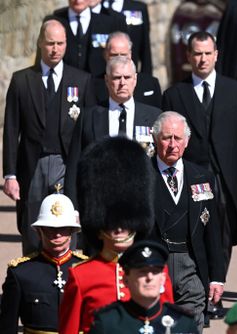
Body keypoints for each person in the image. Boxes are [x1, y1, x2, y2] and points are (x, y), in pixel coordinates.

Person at [162, 31, 237, 316]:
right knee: (195, 233)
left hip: (226, 180)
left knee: (223, 235)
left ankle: (215, 290)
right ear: (189, 57)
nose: (202, 59)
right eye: (197, 54)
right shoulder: (175, 94)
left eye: (207, 53)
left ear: (216, 55)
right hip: (190, 179)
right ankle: (198, 292)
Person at [59, 137, 174, 334]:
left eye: (127, 221)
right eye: (112, 223)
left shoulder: (157, 272)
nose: (120, 228)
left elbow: (168, 326)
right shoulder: (81, 277)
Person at [2, 19, 95, 255]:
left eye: (60, 43)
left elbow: (87, 133)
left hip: (67, 165)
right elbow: (12, 131)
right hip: (32, 166)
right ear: (40, 43)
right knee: (33, 227)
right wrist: (10, 175)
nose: (55, 49)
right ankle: (31, 280)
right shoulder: (22, 80)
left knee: (66, 225)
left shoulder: (81, 81)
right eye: (51, 43)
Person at [148, 111, 225, 332]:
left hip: (191, 265)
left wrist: (217, 277)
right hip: (154, 266)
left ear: (187, 141)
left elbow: (213, 230)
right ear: (155, 139)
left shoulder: (202, 177)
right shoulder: (141, 175)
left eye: (178, 138)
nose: (172, 144)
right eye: (166, 138)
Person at [65, 56, 161, 204]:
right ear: (107, 80)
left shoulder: (154, 116)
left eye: (127, 77)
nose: (122, 83)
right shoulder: (89, 117)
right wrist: (72, 206)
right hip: (99, 201)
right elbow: (74, 165)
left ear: (135, 80)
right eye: (116, 78)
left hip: (142, 202)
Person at [0, 191, 86, 334]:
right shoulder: (21, 273)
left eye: (63, 228)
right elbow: (7, 327)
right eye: (50, 229)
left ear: (72, 231)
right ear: (39, 231)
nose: (57, 234)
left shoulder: (87, 270)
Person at [89, 240, 198, 333]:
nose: (149, 277)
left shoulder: (183, 323)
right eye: (142, 272)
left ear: (163, 279)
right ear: (126, 280)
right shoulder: (107, 323)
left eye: (155, 272)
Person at [53, 0, 127, 76]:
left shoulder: (107, 22)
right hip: (66, 81)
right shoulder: (56, 19)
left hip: (98, 82)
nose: (78, 0)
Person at [93, 31, 162, 108]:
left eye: (123, 54)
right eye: (114, 55)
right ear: (105, 55)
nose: (119, 58)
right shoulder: (93, 86)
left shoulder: (150, 84)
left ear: (130, 54)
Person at [99, 0, 153, 74]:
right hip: (102, 76)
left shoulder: (138, 8)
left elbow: (145, 49)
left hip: (131, 74)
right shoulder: (98, 8)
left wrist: (147, 79)